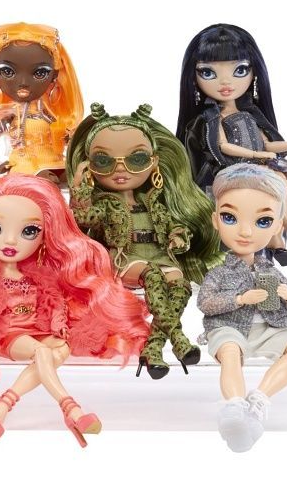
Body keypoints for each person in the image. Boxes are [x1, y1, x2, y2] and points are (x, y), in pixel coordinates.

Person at [0, 174, 149, 447]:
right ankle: (71, 409)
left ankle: (1, 406)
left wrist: (59, 320)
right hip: (9, 335)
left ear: (45, 232)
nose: (10, 240)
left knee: (62, 348)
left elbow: (53, 300)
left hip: (38, 329)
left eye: (29, 231)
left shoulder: (38, 272)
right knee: (42, 353)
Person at [67, 102, 222, 379]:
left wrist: (178, 237)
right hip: (125, 258)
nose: (120, 169)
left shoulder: (153, 201)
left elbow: (173, 225)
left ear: (154, 162)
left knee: (180, 285)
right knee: (152, 275)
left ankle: (153, 348)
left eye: (136, 159)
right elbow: (82, 219)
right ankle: (178, 338)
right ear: (90, 166)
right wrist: (78, 191)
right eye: (104, 161)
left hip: (160, 254)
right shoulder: (106, 204)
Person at [176, 23, 287, 268]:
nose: (225, 82)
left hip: (256, 166)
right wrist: (255, 154)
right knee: (277, 182)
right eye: (208, 73)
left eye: (240, 70)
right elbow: (222, 146)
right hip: (230, 170)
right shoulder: (211, 117)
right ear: (194, 77)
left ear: (255, 73)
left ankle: (278, 237)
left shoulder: (251, 113)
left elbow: (268, 143)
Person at [197, 163, 287, 452]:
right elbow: (205, 303)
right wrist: (239, 300)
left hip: (270, 328)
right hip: (228, 327)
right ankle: (234, 407)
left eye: (262, 221)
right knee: (230, 351)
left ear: (277, 226)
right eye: (230, 218)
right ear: (215, 220)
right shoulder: (219, 272)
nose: (246, 231)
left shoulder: (270, 270)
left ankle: (258, 401)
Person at [0, 22, 83, 182]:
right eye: (7, 71)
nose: (23, 82)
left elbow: (71, 143)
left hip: (54, 168)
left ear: (55, 75)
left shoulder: (53, 117)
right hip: (24, 170)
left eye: (40, 72)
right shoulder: (10, 118)